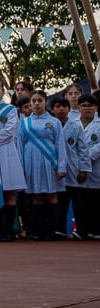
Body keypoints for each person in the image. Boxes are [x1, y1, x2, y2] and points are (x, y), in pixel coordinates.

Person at [18, 90, 67, 240]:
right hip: (31, 161)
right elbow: (20, 145)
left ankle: (52, 230)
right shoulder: (24, 123)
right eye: (34, 101)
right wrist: (21, 168)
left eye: (40, 100)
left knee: (51, 195)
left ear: (46, 102)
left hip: (49, 161)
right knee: (36, 196)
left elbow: (60, 145)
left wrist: (61, 166)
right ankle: (38, 230)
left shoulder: (54, 122)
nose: (37, 103)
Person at [0, 77, 26, 241]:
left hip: (6, 152)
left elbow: (10, 132)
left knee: (8, 192)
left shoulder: (10, 109)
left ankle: (9, 230)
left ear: (4, 91)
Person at [64, 94, 99, 239]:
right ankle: (82, 230)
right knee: (81, 202)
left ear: (96, 107)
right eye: (84, 105)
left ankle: (96, 230)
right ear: (78, 108)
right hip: (77, 169)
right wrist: (80, 162)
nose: (87, 108)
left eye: (90, 105)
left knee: (96, 201)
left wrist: (86, 156)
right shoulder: (72, 123)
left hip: (96, 168)